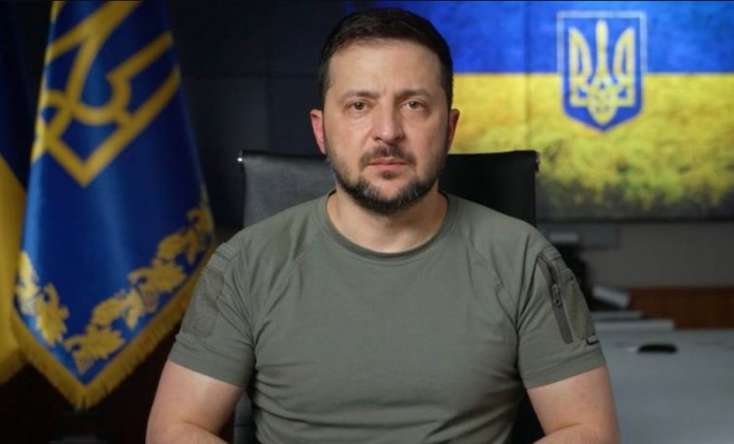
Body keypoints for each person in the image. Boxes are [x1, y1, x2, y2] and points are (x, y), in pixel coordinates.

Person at [147, 8, 619, 444]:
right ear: (321, 130)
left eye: (414, 105)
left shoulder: (523, 259)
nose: (388, 131)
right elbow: (174, 429)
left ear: (449, 128)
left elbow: (589, 431)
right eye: (359, 105)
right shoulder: (245, 264)